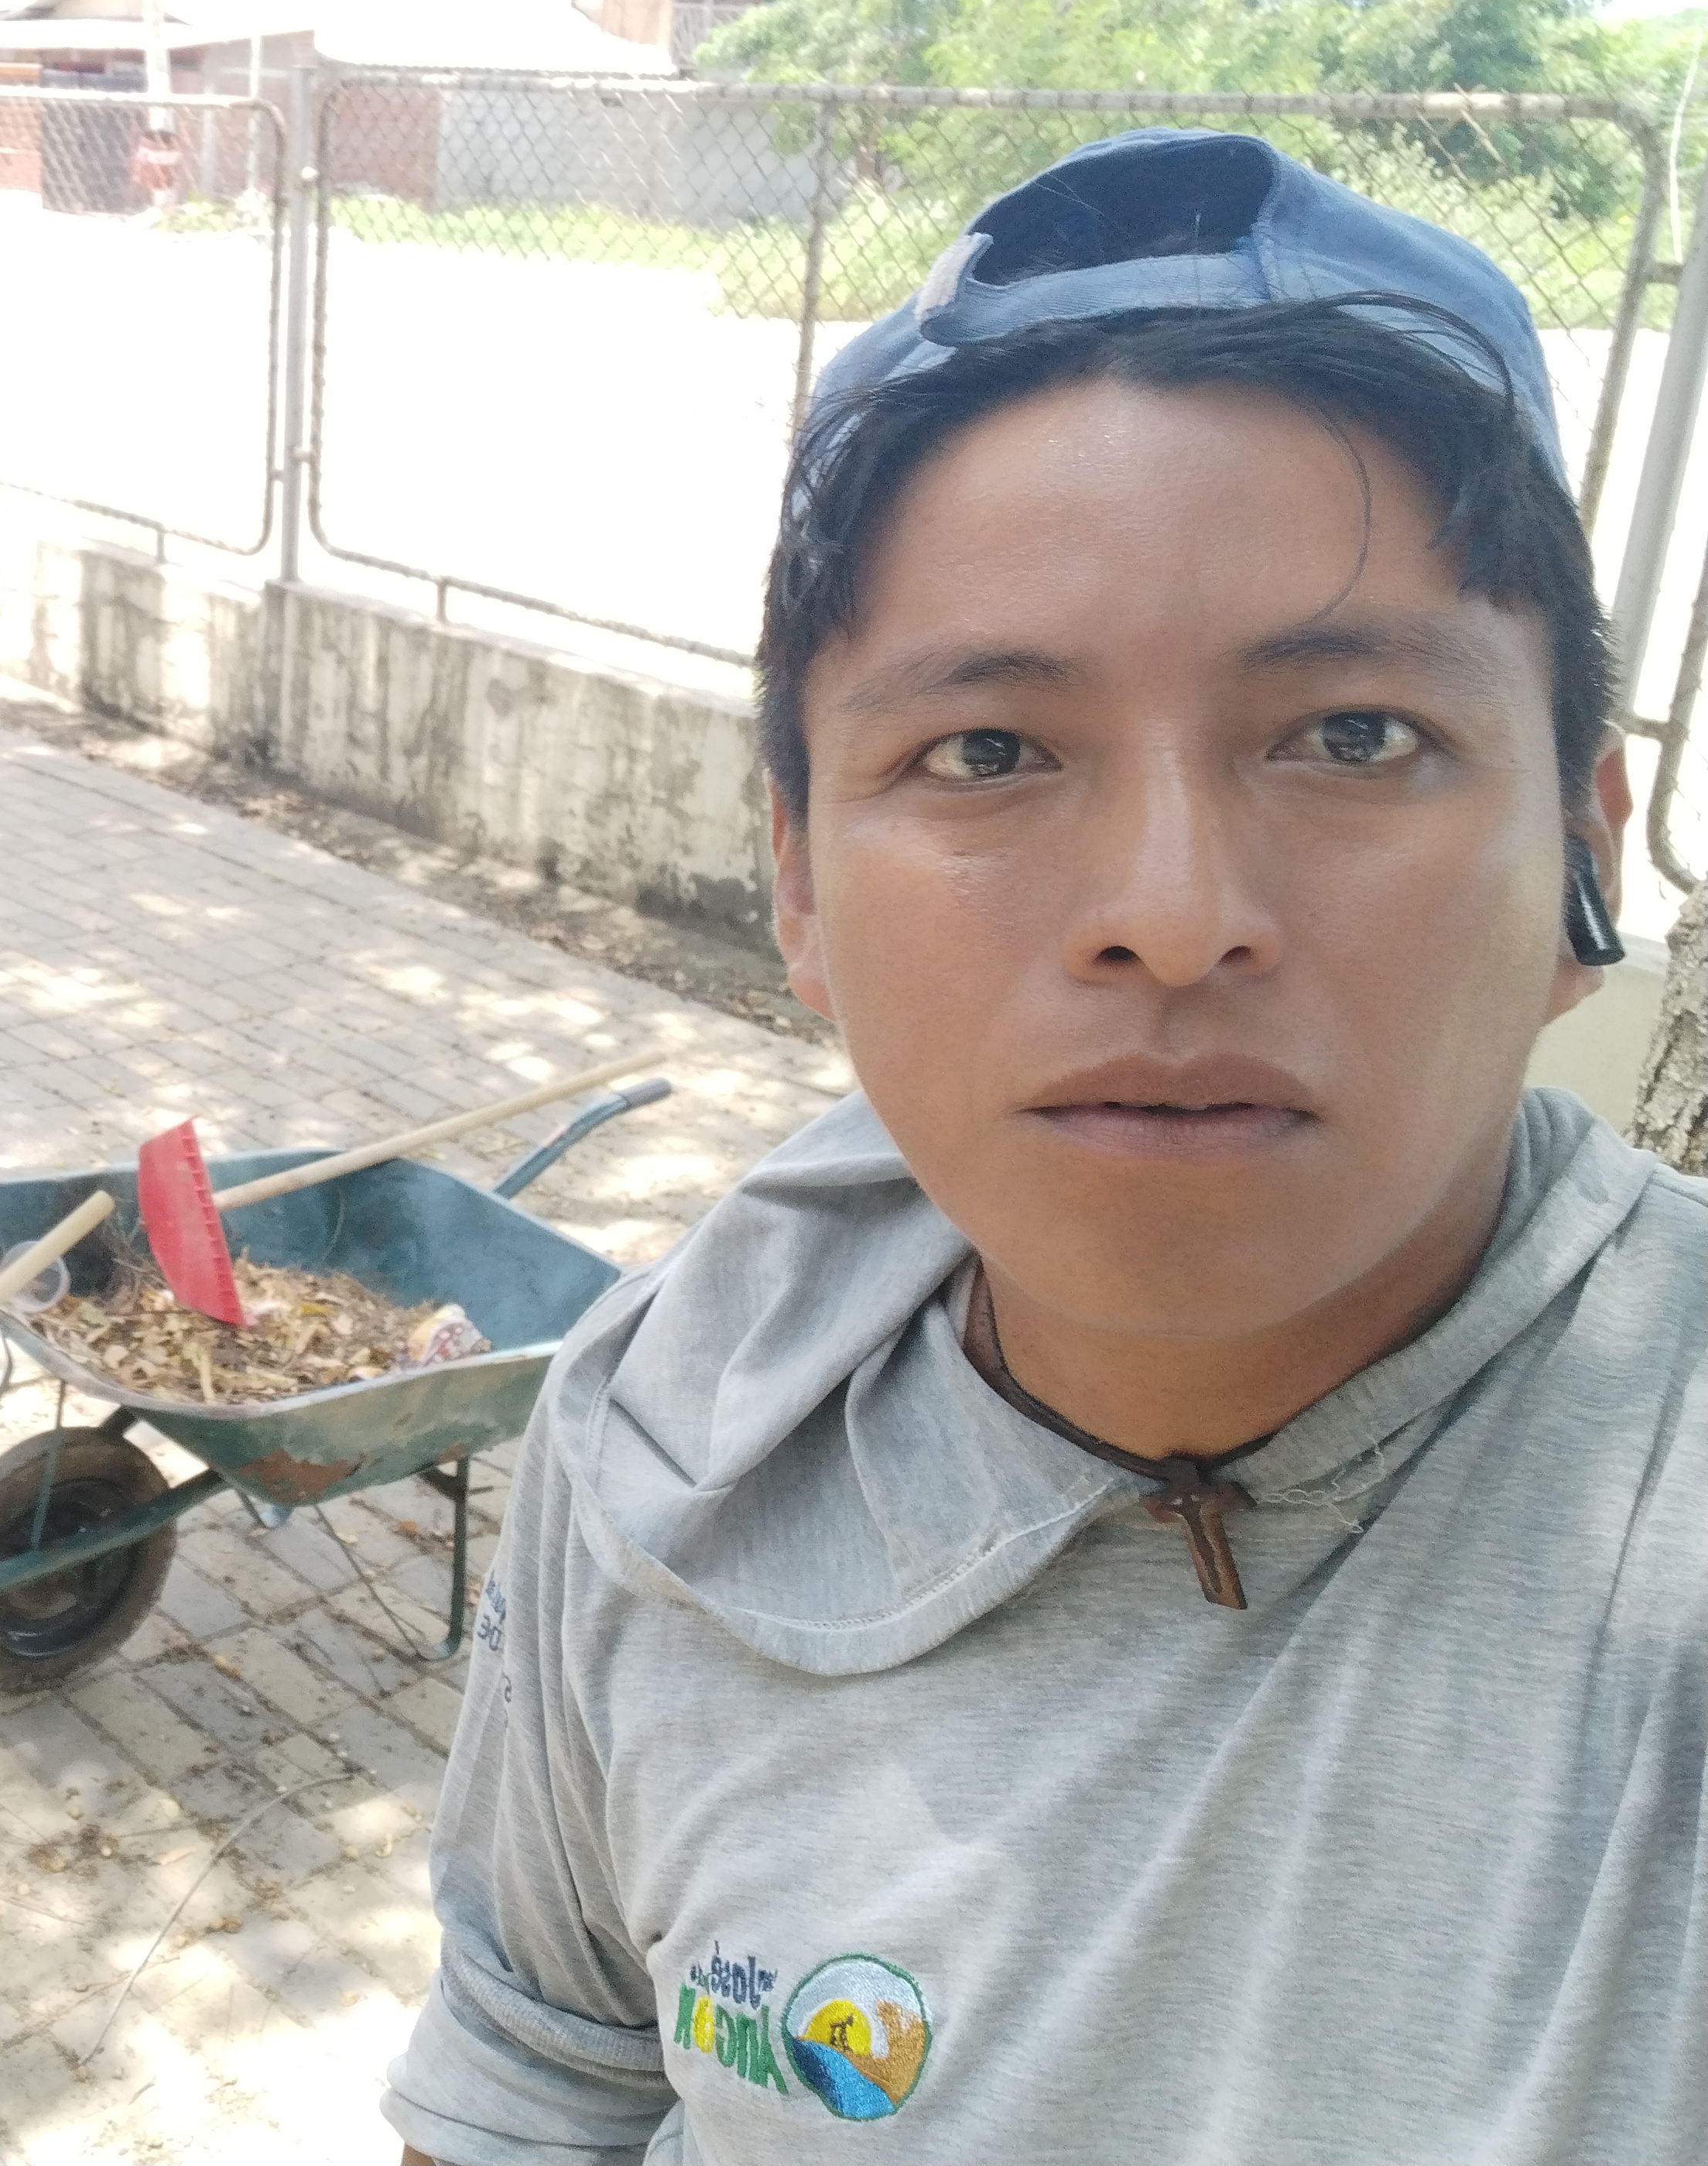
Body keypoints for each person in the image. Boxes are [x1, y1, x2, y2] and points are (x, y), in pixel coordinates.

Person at [382, 129, 1703, 2164]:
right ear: (798, 885)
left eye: (1357, 735)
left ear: (1583, 866)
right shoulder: (661, 1429)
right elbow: (534, 2088)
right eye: (986, 751)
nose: (1173, 918)